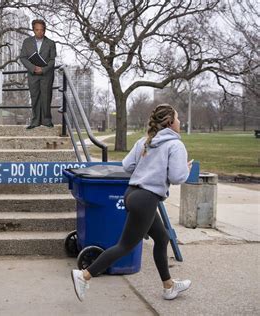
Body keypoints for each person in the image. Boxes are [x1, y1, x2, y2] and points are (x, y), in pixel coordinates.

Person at [71, 104, 194, 302]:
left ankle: (169, 286)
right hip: (146, 199)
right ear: (170, 123)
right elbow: (178, 177)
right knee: (124, 246)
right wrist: (185, 169)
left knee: (162, 239)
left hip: (132, 194)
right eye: (178, 119)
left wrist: (148, 168)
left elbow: (128, 165)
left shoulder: (145, 141)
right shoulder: (175, 145)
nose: (180, 122)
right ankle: (84, 275)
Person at [19, 19, 56, 129]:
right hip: (32, 74)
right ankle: (35, 121)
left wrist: (43, 70)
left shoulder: (51, 43)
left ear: (45, 30)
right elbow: (23, 57)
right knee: (34, 97)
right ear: (33, 30)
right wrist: (33, 68)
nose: (39, 32)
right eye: (37, 30)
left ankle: (47, 121)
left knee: (46, 97)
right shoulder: (27, 42)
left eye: (42, 30)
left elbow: (52, 60)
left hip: (46, 75)